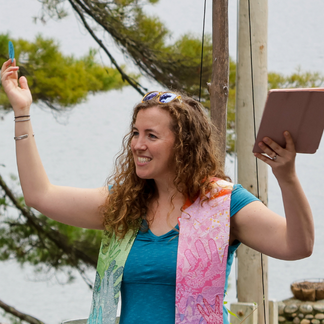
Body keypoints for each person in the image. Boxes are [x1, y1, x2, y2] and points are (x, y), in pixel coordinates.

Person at [1, 59, 314, 324]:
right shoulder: (123, 203)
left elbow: (297, 245)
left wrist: (286, 177)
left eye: (151, 135)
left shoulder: (224, 203)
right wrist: (22, 111)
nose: (137, 144)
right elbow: (39, 196)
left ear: (184, 145)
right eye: (136, 133)